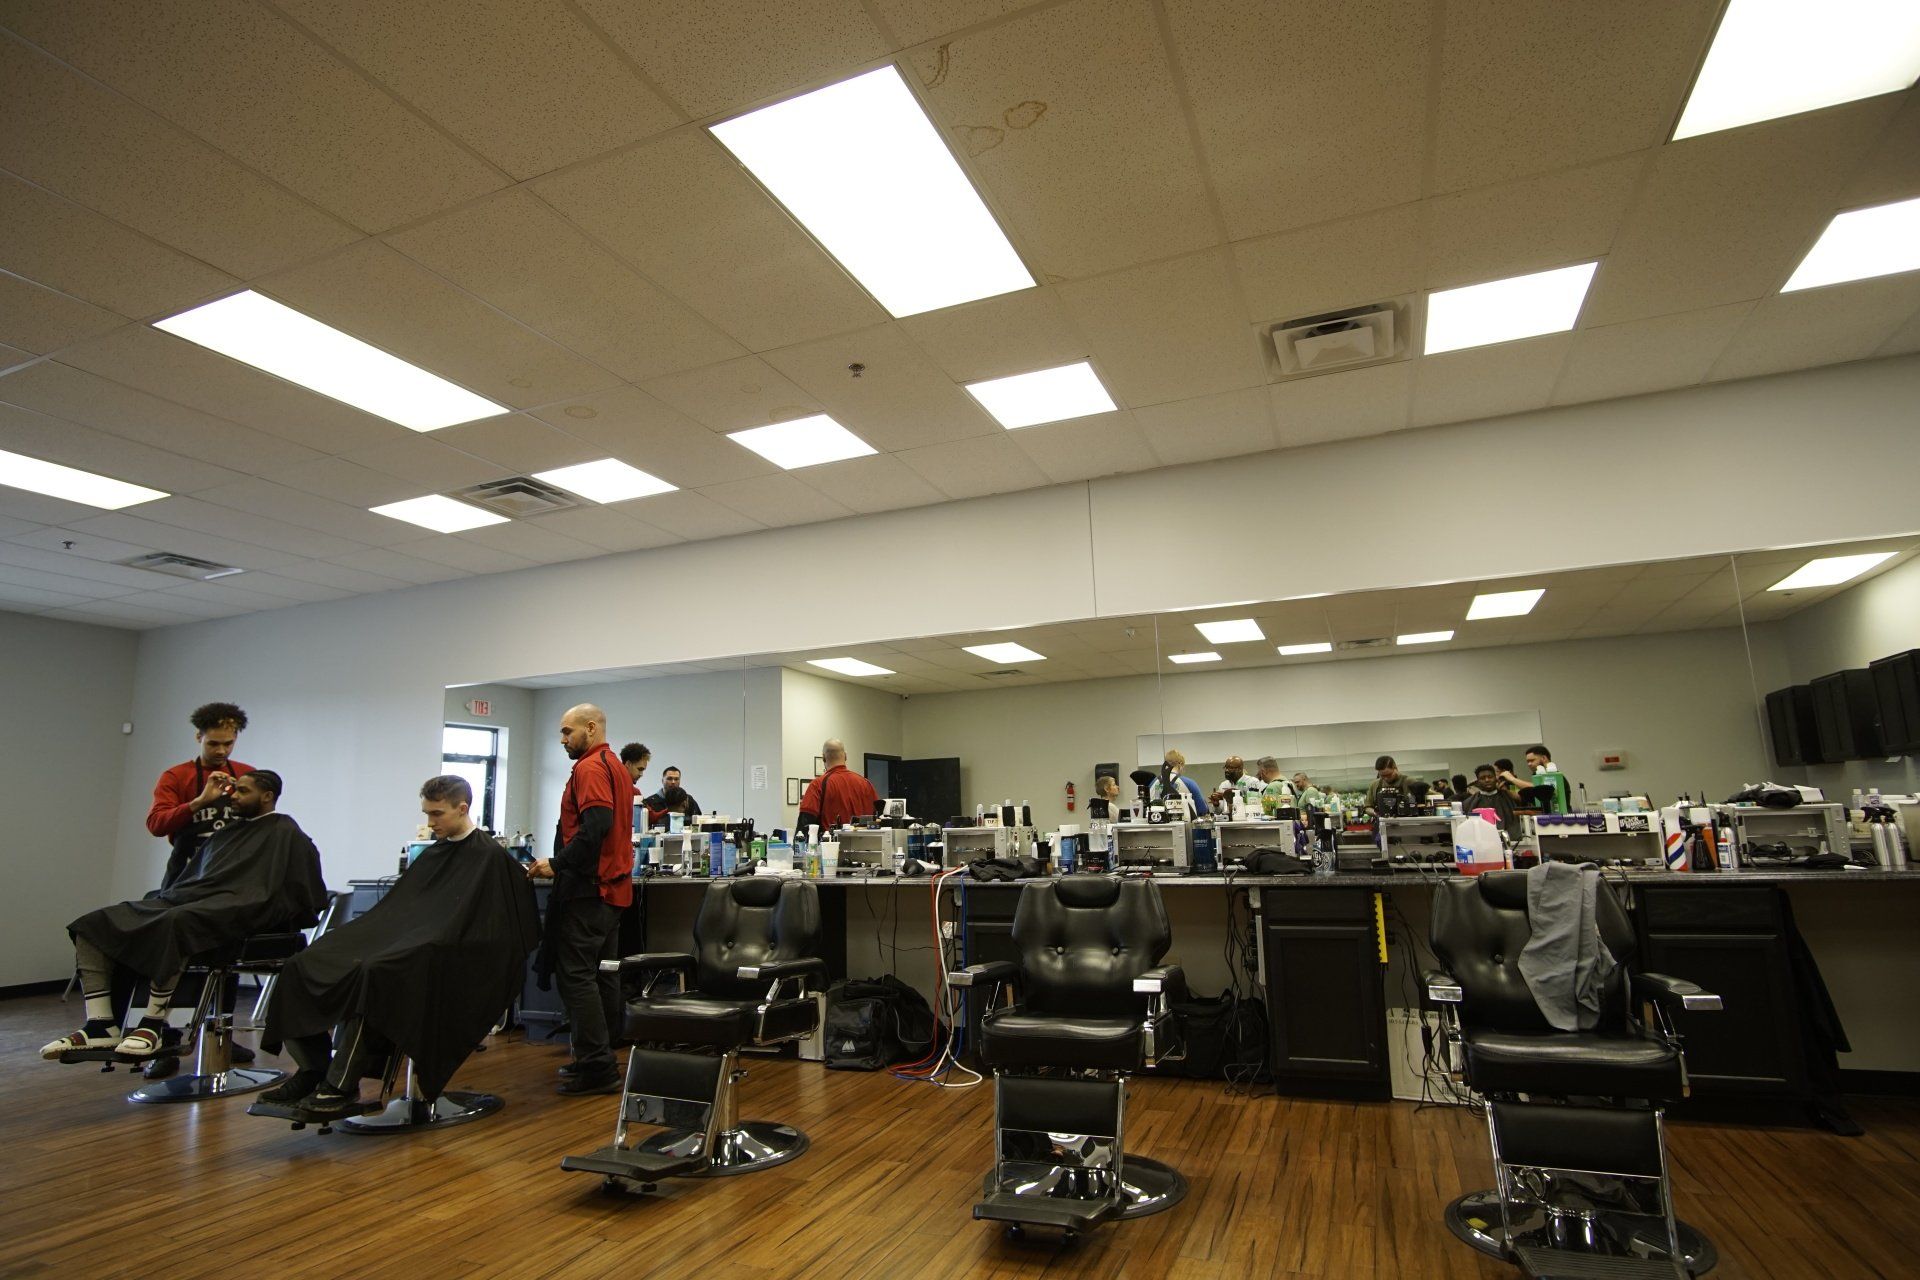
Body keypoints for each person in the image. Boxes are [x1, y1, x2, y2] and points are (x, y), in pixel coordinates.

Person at [259, 775, 539, 1115]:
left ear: (462, 808)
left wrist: (422, 942)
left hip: (450, 957)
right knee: (302, 964)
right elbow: (401, 911)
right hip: (410, 943)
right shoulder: (434, 855)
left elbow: (492, 929)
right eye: (426, 813)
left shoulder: (490, 858)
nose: (430, 823)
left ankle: (340, 1086)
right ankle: (312, 1070)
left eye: (437, 814)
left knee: (375, 973)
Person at [43, 771, 325, 1060]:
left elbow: (300, 892)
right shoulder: (228, 832)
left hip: (242, 911)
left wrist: (256, 905)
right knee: (94, 924)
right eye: (235, 790)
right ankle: (100, 1025)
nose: (234, 797)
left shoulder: (287, 832)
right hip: (196, 900)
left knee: (175, 922)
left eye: (243, 791)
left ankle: (153, 1023)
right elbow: (195, 878)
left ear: (267, 796)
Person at [530, 704, 634, 1096]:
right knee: (602, 974)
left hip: (592, 889)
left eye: (566, 732)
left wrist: (557, 864)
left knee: (576, 976)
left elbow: (596, 828)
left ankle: (596, 1066)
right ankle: (600, 1057)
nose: (562, 740)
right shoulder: (616, 768)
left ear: (590, 729)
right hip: (614, 890)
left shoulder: (590, 769)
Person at [147, 702, 254, 888]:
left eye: (228, 744)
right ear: (199, 737)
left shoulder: (247, 775)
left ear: (236, 738)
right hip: (187, 875)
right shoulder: (176, 776)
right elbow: (156, 825)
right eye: (213, 743)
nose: (221, 751)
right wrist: (199, 802)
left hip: (235, 873)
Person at [797, 739, 880, 833]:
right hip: (866, 845)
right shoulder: (866, 784)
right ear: (845, 756)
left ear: (823, 758)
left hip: (831, 846)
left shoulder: (818, 785)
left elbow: (804, 826)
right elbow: (878, 818)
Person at [1463, 764, 1521, 839]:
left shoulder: (1509, 797)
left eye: (1490, 777)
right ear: (1477, 781)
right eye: (1482, 778)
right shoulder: (1468, 802)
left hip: (1510, 841)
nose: (1487, 780)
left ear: (1496, 778)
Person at [1152, 749, 1210, 817]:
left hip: (1157, 825)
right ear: (1181, 765)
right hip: (1185, 825)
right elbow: (1202, 810)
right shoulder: (1189, 783)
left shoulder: (1153, 783)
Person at [1523, 744, 1572, 814]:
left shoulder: (1554, 777)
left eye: (1532, 760)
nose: (1529, 764)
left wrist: (1512, 779)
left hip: (1561, 817)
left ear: (1544, 758)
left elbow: (1539, 788)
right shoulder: (1536, 776)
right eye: (1527, 761)